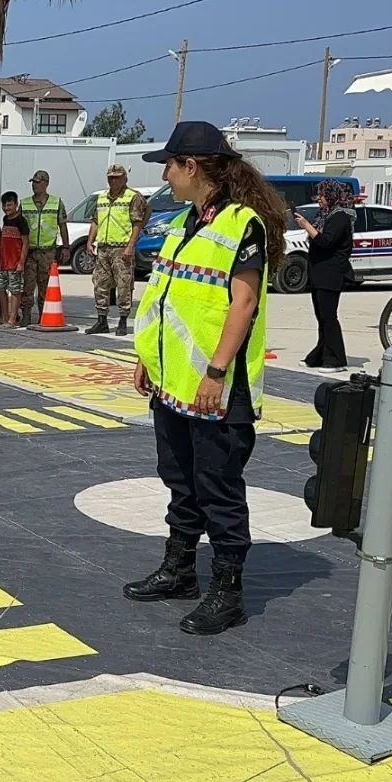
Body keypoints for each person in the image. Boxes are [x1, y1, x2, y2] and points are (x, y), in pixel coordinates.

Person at [125, 120, 286, 636]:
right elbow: (166, 299)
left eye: (170, 166)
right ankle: (180, 571)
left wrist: (216, 371)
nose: (166, 176)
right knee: (180, 480)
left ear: (191, 167)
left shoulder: (243, 225)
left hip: (217, 387)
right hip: (173, 384)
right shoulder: (181, 224)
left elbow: (243, 305)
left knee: (218, 487)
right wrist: (149, 359)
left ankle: (227, 589)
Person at [295, 179, 355, 372]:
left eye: (321, 195)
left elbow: (326, 242)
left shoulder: (340, 217)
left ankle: (336, 359)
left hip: (331, 273)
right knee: (321, 317)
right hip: (319, 272)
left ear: (331, 196)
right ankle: (320, 355)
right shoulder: (325, 215)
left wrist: (307, 226)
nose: (319, 199)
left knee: (329, 317)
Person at [86, 164, 150, 336]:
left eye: (117, 177)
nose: (113, 180)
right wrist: (90, 240)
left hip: (121, 248)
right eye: (110, 177)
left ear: (124, 178)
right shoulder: (101, 198)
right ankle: (101, 320)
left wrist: (130, 246)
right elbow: (96, 221)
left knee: (124, 285)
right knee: (100, 283)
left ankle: (122, 320)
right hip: (103, 248)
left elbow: (139, 221)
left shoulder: (133, 197)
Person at [20, 170, 70, 324]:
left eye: (37, 182)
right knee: (27, 284)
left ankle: (44, 313)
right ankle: (26, 315)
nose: (34, 185)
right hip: (29, 250)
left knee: (45, 285)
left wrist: (66, 247)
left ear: (46, 184)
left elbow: (62, 225)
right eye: (33, 182)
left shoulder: (56, 203)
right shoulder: (25, 203)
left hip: (48, 251)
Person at [0, 192, 30, 328]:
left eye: (9, 205)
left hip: (15, 263)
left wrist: (21, 263)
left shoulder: (21, 221)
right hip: (3, 263)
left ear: (16, 204)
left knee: (15, 291)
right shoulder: (5, 219)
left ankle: (12, 319)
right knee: (0, 289)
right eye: (4, 205)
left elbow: (25, 243)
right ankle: (5, 318)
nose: (6, 208)